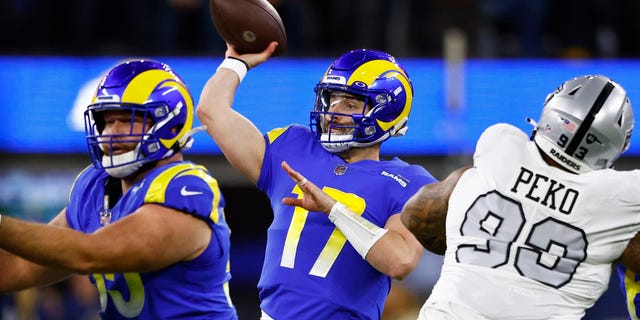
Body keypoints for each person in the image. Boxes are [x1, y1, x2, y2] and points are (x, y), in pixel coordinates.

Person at [196, 42, 437, 319]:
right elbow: (211, 111)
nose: (334, 111)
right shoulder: (294, 147)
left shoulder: (408, 181)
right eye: (331, 99)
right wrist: (236, 62)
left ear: (386, 112)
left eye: (350, 103)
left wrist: (333, 209)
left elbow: (400, 261)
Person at [0, 59, 237, 319]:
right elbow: (18, 267)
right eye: (107, 121)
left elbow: (91, 254)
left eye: (127, 120)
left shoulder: (185, 187)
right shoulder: (95, 188)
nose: (112, 133)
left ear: (171, 124)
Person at [397, 74, 640, 319]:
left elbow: (415, 217)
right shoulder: (621, 195)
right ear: (616, 145)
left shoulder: (500, 144)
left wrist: (482, 245)